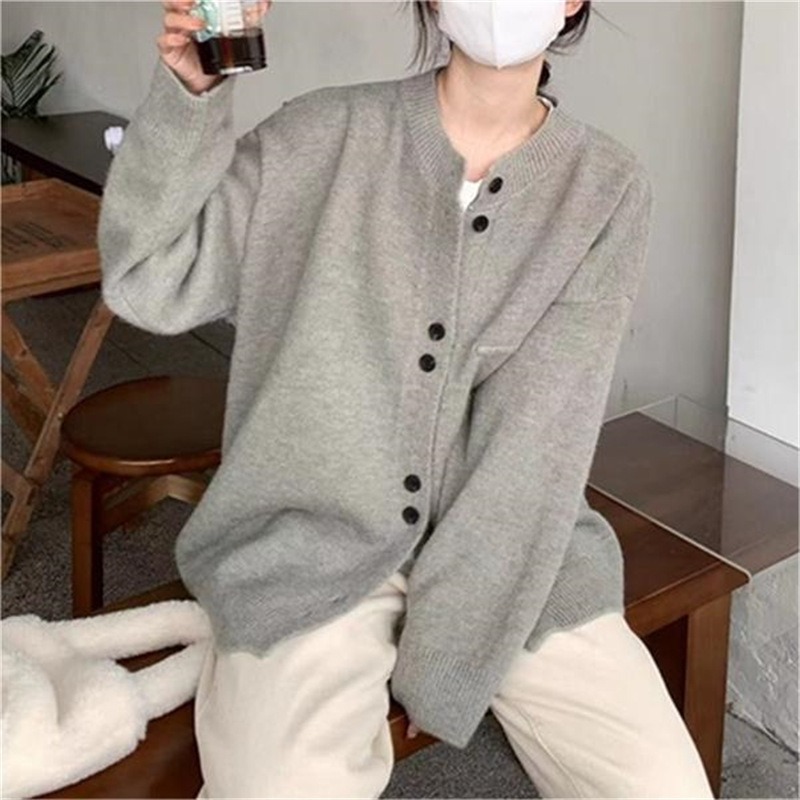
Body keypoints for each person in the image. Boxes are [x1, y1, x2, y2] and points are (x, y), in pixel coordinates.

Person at [98, 1, 716, 797]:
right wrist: (190, 100)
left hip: (519, 550)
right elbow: (150, 280)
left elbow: (537, 437)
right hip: (308, 545)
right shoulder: (322, 134)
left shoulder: (604, 188)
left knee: (663, 786)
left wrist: (451, 648)